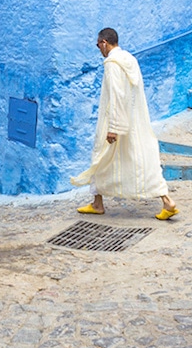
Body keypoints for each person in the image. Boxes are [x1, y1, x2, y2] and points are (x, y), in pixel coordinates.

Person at [70, 28, 179, 220]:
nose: (99, 49)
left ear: (104, 43)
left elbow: (117, 95)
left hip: (115, 122)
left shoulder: (112, 64)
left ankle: (166, 202)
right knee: (140, 160)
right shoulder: (129, 59)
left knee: (100, 155)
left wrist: (114, 128)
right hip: (135, 122)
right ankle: (98, 202)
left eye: (98, 45)